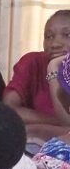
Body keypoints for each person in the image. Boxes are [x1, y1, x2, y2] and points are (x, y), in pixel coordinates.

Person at [4, 10, 70, 140]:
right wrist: (56, 122)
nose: (55, 44)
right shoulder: (32, 62)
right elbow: (9, 108)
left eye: (67, 35)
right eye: (49, 36)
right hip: (33, 143)